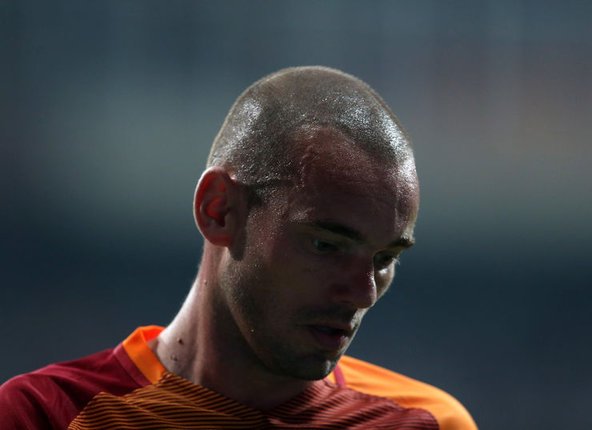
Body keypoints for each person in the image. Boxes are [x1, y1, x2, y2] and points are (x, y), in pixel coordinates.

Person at [0, 66, 477, 429]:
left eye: (384, 259)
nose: (363, 292)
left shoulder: (429, 422)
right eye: (326, 245)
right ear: (219, 211)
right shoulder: (42, 415)